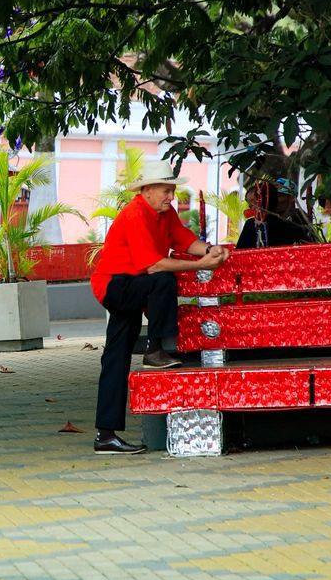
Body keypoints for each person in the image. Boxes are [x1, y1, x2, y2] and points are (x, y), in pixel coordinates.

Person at [90, 158, 229, 455]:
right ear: (148, 190)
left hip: (133, 284)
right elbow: (153, 265)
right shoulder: (136, 214)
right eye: (166, 190)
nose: (170, 196)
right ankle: (154, 349)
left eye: (171, 190)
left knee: (116, 356)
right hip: (116, 285)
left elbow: (183, 240)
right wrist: (200, 265)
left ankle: (105, 435)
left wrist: (208, 250)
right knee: (164, 280)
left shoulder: (165, 214)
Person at [237, 177, 320, 249]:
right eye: (274, 195)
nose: (275, 199)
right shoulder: (258, 222)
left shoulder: (300, 220)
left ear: (291, 197)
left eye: (279, 195)